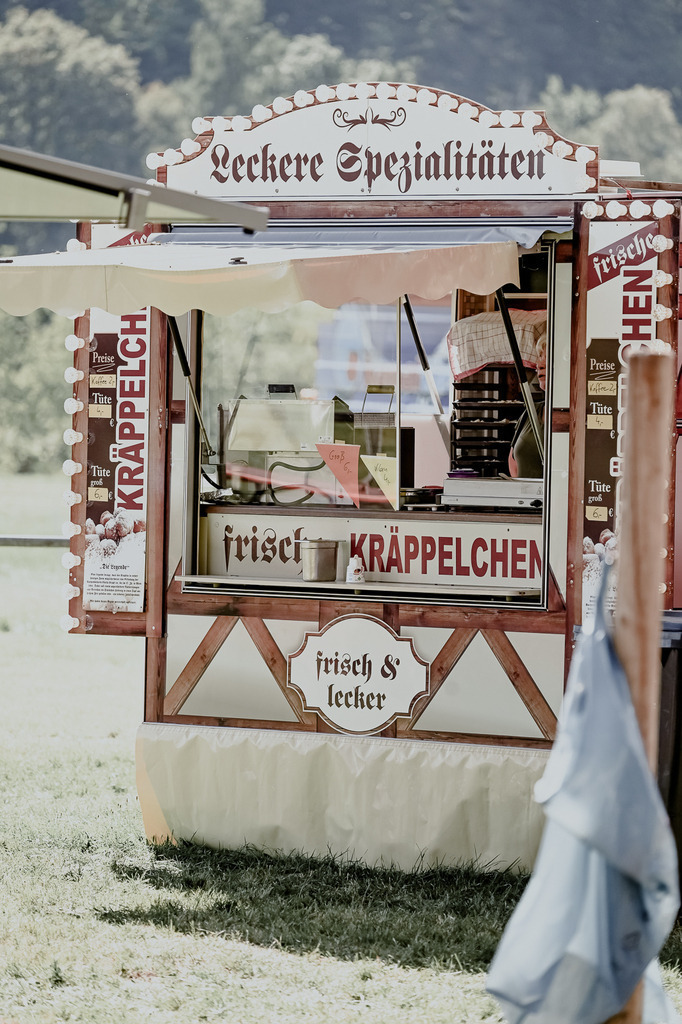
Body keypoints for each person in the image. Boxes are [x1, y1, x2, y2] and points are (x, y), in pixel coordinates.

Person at [508, 341, 546, 478]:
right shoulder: (531, 411)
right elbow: (513, 462)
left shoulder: (574, 415)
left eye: (548, 357)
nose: (540, 365)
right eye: (540, 357)